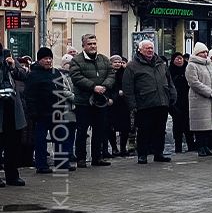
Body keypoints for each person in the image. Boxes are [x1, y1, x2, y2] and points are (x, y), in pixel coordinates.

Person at [123, 40, 176, 164]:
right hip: (144, 104)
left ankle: (159, 153)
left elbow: (169, 81)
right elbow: (127, 88)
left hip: (162, 102)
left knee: (160, 130)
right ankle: (142, 154)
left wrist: (172, 95)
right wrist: (132, 104)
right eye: (147, 48)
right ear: (140, 50)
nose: (150, 50)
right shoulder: (132, 66)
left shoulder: (161, 64)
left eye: (151, 48)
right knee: (144, 131)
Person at [68, 34, 114, 168]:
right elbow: (76, 77)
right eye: (89, 44)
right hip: (84, 102)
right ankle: (81, 158)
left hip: (100, 101)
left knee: (99, 130)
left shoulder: (104, 60)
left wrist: (104, 86)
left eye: (94, 43)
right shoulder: (76, 60)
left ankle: (97, 157)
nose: (93, 46)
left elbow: (111, 74)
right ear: (83, 46)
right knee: (82, 131)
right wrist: (93, 87)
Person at [26, 47, 73, 174]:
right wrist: (33, 112)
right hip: (41, 113)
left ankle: (62, 163)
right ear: (39, 60)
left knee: (60, 138)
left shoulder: (56, 72)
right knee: (41, 141)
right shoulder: (33, 75)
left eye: (50, 58)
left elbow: (61, 89)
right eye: (45, 58)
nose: (48, 61)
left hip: (57, 111)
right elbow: (29, 95)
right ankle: (41, 165)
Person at [185, 43, 212, 157]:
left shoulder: (211, 64)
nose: (205, 54)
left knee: (209, 125)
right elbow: (194, 83)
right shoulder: (191, 65)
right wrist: (209, 92)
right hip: (199, 99)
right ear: (197, 53)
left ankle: (206, 146)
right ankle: (200, 147)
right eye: (202, 52)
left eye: (206, 52)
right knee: (200, 125)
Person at [0, 49, 30, 186]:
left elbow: (23, 75)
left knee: (13, 143)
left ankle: (12, 175)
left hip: (12, 107)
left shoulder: (8, 55)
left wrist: (12, 66)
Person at [168, 52, 192, 154]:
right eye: (177, 59)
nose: (179, 60)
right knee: (177, 125)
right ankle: (178, 146)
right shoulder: (170, 71)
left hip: (188, 100)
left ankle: (191, 144)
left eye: (181, 58)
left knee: (188, 125)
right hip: (175, 102)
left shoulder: (188, 70)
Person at [108, 55, 132, 158]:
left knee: (125, 128)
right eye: (115, 62)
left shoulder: (126, 72)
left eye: (119, 62)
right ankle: (114, 148)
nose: (118, 64)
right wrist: (116, 94)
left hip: (124, 104)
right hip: (112, 104)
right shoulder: (108, 73)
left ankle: (123, 148)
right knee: (111, 128)